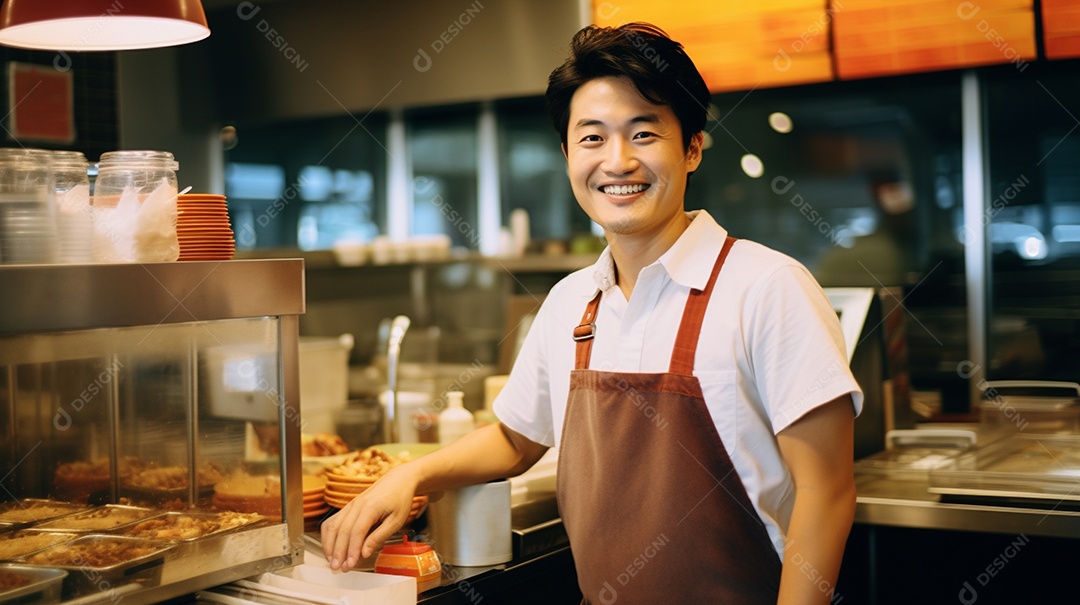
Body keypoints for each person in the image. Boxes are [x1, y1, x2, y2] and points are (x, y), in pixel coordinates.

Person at [323, 22, 862, 604]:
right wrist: (411, 475)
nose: (618, 161)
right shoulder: (570, 302)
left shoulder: (767, 287)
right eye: (593, 138)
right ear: (567, 155)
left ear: (692, 148)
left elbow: (827, 492)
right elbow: (516, 438)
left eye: (644, 133)